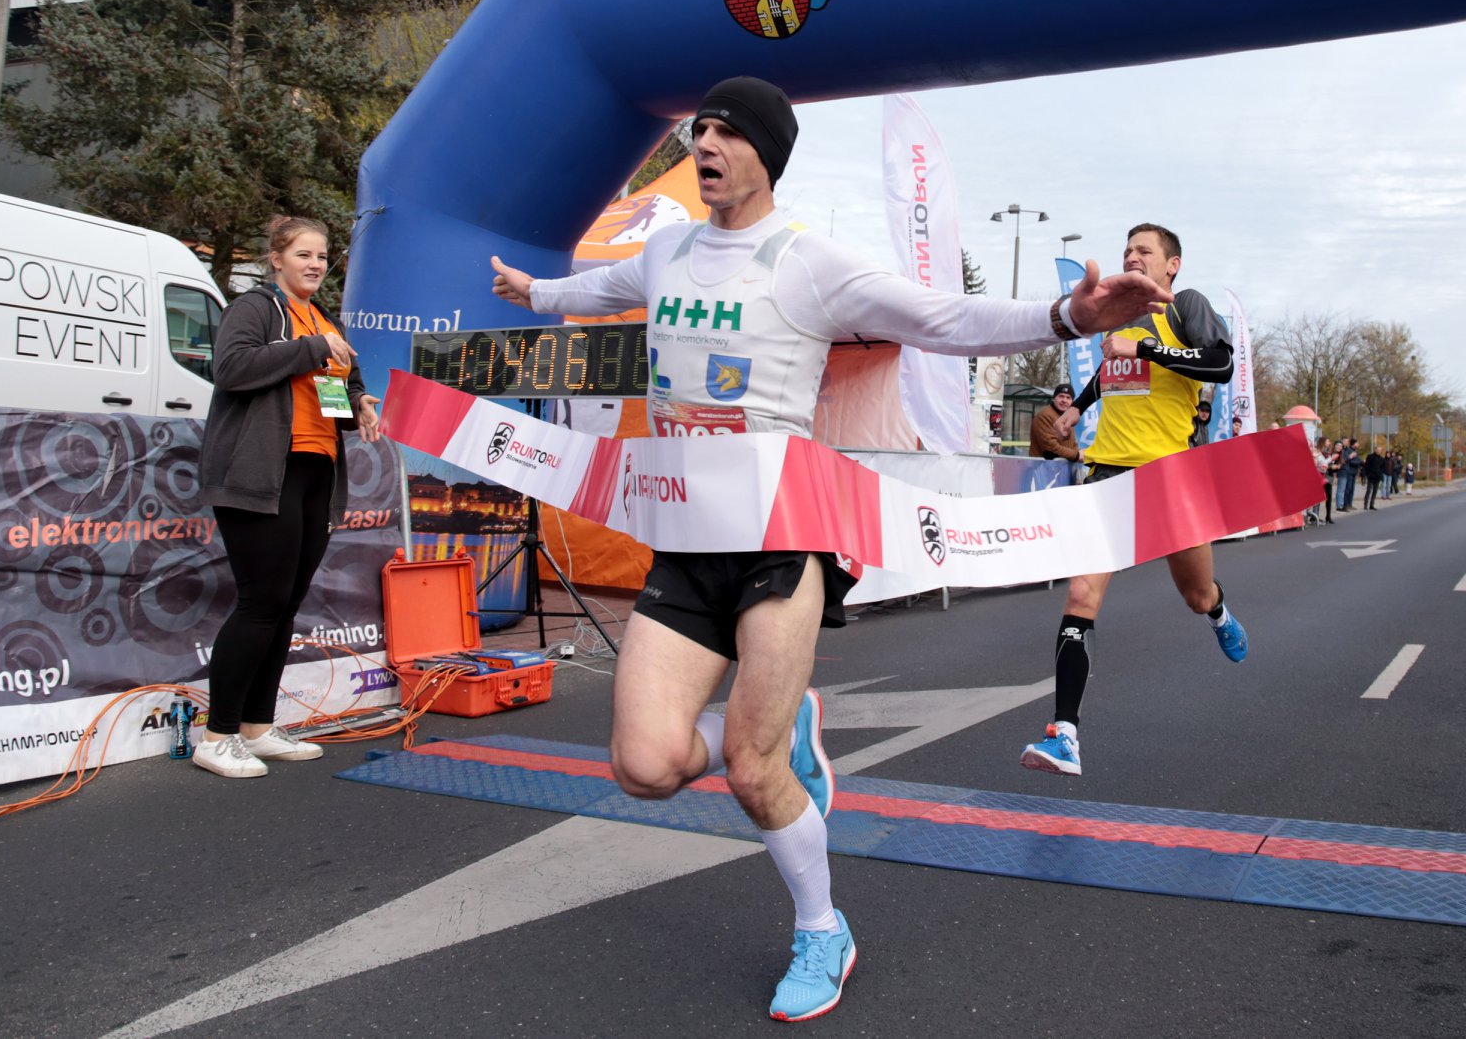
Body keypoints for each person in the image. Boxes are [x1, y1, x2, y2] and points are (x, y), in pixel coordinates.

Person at [488, 77, 1169, 1022]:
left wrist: (1068, 317)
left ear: (766, 155)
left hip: (782, 535)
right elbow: (592, 289)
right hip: (686, 539)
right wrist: (531, 290)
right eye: (699, 130)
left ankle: (821, 928)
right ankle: (780, 727)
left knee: (752, 770)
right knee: (644, 766)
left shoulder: (808, 260)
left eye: (727, 132)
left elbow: (941, 316)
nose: (705, 144)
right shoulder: (666, 251)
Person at [1021, 223, 1240, 778]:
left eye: (1144, 250)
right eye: (1127, 251)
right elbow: (1111, 370)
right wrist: (1078, 406)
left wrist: (1145, 346)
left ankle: (1219, 612)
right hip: (1108, 473)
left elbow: (1220, 365)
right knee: (1080, 594)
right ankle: (1065, 736)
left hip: (1170, 476)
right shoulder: (1119, 315)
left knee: (1195, 595)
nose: (1132, 257)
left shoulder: (1186, 306)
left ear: (1172, 265)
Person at [195, 217, 381, 779]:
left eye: (322, 256)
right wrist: (310, 348)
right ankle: (217, 736)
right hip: (260, 474)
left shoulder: (325, 320)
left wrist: (359, 402)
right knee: (261, 602)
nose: (316, 264)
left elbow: (339, 387)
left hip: (315, 471)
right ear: (276, 258)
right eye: (304, 254)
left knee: (285, 605)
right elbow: (230, 369)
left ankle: (257, 726)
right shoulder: (255, 308)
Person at [1031, 383, 1084, 475]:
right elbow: (1051, 448)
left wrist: (1078, 453)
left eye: (1068, 398)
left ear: (1072, 401)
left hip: (1060, 472)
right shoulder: (1045, 416)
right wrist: (1076, 455)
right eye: (1061, 396)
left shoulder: (1067, 417)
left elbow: (1073, 443)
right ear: (1054, 398)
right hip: (1043, 472)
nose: (1064, 400)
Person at [1337, 437, 1360, 511]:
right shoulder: (1346, 450)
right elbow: (1347, 460)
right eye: (1345, 441)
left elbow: (1357, 459)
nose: (1347, 442)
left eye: (1347, 441)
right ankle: (1342, 505)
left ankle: (1348, 504)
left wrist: (1359, 462)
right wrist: (1352, 458)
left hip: (1351, 471)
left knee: (1351, 489)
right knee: (1345, 489)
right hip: (1346, 471)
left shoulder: (1350, 450)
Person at [1362, 444, 1385, 510]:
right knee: (1369, 490)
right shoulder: (1370, 457)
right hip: (1371, 476)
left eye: (1380, 450)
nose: (1378, 451)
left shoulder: (1382, 459)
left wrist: (1380, 475)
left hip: (1377, 477)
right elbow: (1366, 466)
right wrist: (1367, 474)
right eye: (1377, 450)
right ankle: (1365, 505)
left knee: (1375, 491)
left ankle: (1371, 505)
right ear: (1375, 450)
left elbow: (1383, 468)